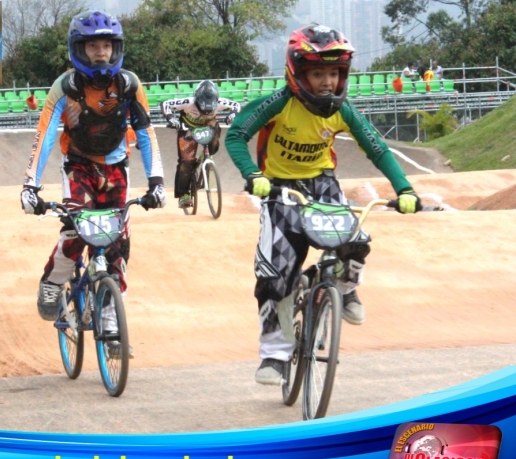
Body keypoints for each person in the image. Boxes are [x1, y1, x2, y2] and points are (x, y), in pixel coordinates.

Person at [225, 23, 422, 386]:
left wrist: (405, 189)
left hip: (323, 185)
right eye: (318, 73)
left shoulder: (342, 110)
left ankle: (345, 289)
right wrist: (253, 175)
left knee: (356, 240)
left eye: (334, 72)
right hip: (280, 189)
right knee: (274, 273)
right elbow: (236, 134)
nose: (328, 81)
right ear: (298, 73)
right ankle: (275, 355)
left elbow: (376, 148)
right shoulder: (279, 103)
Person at [20, 10, 166, 332]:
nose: (101, 52)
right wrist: (30, 185)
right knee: (75, 231)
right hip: (78, 166)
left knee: (117, 243)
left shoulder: (129, 85)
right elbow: (43, 137)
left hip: (116, 168)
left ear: (116, 48)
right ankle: (54, 280)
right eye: (92, 45)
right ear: (78, 49)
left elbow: (146, 133)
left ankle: (112, 315)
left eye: (106, 45)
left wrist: (157, 181)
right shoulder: (65, 87)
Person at [160, 80, 240, 208]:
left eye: (210, 110)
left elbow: (236, 105)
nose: (206, 113)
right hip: (188, 129)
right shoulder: (188, 102)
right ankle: (184, 195)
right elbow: (165, 104)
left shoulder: (220, 102)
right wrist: (171, 119)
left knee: (214, 140)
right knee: (186, 162)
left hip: (208, 127)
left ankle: (206, 156)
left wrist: (232, 114)